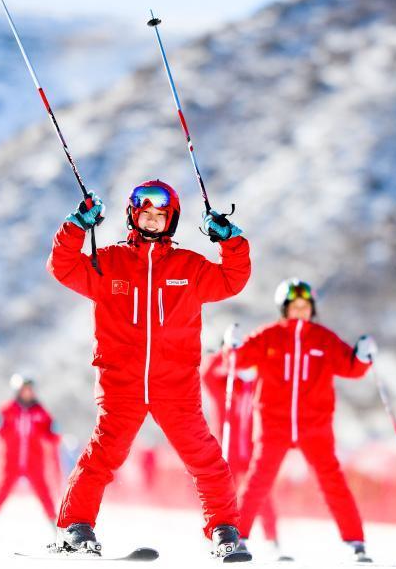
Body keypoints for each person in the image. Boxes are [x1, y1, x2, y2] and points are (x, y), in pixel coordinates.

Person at [47, 180, 251, 559]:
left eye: (160, 215)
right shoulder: (108, 262)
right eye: (146, 214)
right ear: (133, 216)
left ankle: (224, 530)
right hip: (121, 383)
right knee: (102, 457)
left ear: (171, 220)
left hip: (176, 385)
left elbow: (232, 279)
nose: (153, 221)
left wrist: (231, 240)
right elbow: (62, 266)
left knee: (205, 459)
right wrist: (77, 225)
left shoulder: (189, 267)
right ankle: (75, 527)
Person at [232, 279, 377, 563]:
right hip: (274, 423)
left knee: (332, 480)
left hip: (315, 426)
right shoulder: (269, 336)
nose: (300, 311)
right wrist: (233, 345)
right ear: (284, 309)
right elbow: (239, 359)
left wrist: (362, 355)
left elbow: (351, 367)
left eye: (305, 306)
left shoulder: (323, 338)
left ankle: (355, 541)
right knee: (259, 480)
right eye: (294, 307)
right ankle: (237, 536)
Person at [201, 333, 281, 557]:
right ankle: (222, 537)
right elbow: (207, 373)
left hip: (253, 448)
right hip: (228, 451)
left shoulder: (259, 384)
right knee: (225, 494)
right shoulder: (225, 385)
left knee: (261, 492)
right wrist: (226, 351)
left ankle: (272, 538)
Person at [0, 374, 61, 536]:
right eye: (24, 390)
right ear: (17, 391)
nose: (28, 393)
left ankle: (54, 524)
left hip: (33, 460)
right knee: (2, 490)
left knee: (43, 492)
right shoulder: (7, 409)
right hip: (10, 460)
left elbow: (52, 434)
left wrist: (54, 431)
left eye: (30, 390)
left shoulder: (40, 411)